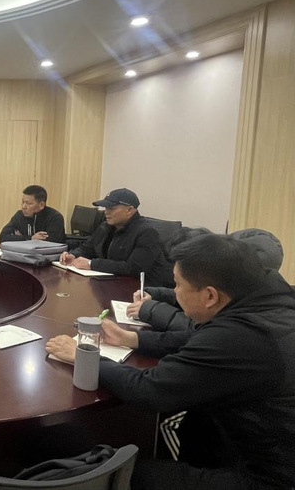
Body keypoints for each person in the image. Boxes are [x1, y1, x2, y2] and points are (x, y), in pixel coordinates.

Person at [46, 234, 295, 490]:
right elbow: (199, 338)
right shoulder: (270, 305)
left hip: (269, 478)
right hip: (254, 447)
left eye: (177, 284)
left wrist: (84, 357)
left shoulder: (242, 336)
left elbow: (150, 389)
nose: (174, 292)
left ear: (210, 296)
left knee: (123, 475)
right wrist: (132, 338)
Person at [126, 228, 284, 357]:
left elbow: (200, 328)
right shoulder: (260, 288)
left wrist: (151, 309)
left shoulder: (246, 324)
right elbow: (199, 296)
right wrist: (157, 294)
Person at [58, 188, 173, 286]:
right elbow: (88, 248)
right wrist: (73, 255)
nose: (106, 212)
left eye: (111, 208)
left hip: (140, 289)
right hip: (110, 283)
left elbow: (133, 268)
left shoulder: (147, 233)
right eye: (105, 208)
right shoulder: (105, 226)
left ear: (129, 210)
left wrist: (91, 264)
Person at [0, 185, 65, 243]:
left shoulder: (54, 218)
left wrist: (18, 238)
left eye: (28, 203)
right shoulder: (19, 216)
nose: (23, 207)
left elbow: (49, 244)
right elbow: (3, 238)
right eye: (23, 202)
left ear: (41, 205)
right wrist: (30, 238)